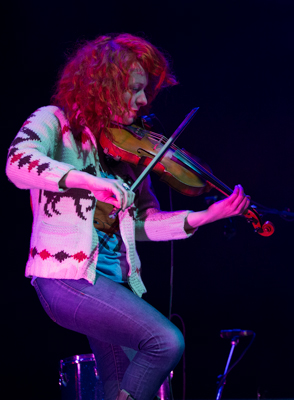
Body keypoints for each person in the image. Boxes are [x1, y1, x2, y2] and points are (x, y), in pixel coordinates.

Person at [6, 33, 250, 400]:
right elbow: (17, 163)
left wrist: (204, 216)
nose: (143, 101)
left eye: (145, 91)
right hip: (64, 276)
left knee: (121, 383)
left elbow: (141, 224)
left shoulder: (127, 152)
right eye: (134, 90)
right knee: (165, 341)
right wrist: (90, 181)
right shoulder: (54, 121)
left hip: (111, 282)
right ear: (102, 85)